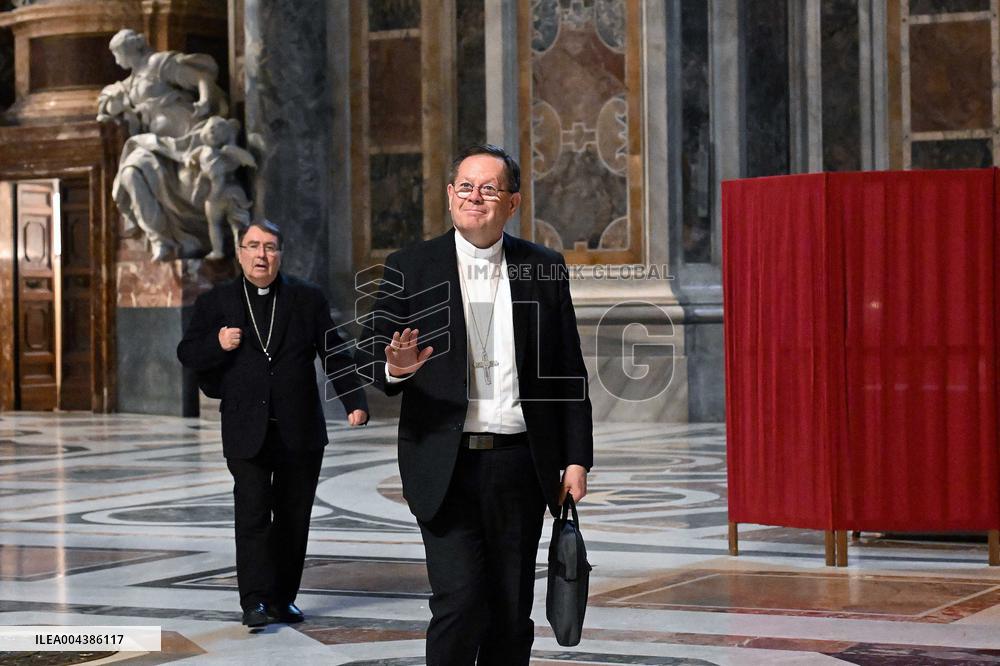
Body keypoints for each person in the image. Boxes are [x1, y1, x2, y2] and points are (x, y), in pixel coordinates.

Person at [359, 144, 593, 664]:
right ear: (449, 196)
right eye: (465, 186)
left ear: (513, 202)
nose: (475, 197)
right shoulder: (410, 267)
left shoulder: (544, 267)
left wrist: (576, 458)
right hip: (445, 464)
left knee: (510, 611)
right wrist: (397, 365)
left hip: (521, 464)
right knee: (459, 602)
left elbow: (567, 371)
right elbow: (372, 353)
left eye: (489, 188)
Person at [177, 220, 369, 628]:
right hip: (247, 430)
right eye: (253, 246)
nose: (261, 255)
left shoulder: (306, 297)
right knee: (251, 517)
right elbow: (188, 352)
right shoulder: (218, 301)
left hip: (299, 430)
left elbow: (333, 351)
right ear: (240, 252)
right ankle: (255, 601)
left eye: (269, 247)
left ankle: (283, 598)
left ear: (281, 253)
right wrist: (218, 343)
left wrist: (354, 401)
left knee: (293, 518)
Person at [97, 29, 233, 260]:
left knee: (193, 183)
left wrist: (205, 101)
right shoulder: (128, 83)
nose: (117, 60)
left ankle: (193, 238)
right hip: (154, 144)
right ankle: (160, 238)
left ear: (131, 49)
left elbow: (201, 78)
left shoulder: (159, 63)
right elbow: (111, 109)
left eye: (118, 53)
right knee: (130, 173)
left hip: (186, 135)